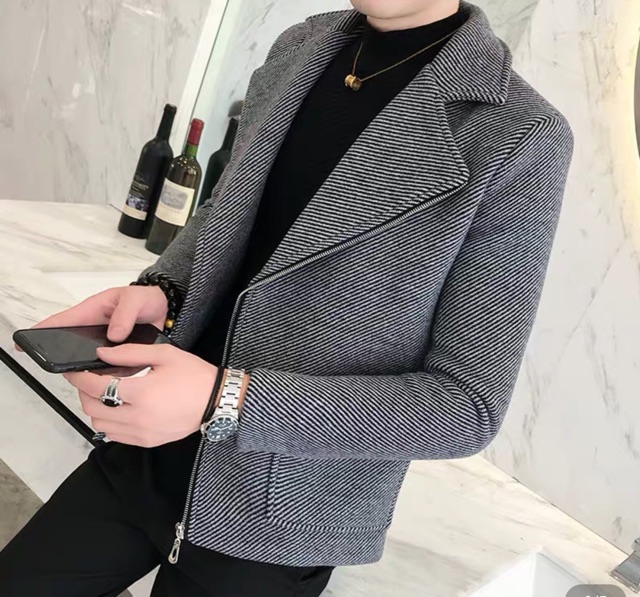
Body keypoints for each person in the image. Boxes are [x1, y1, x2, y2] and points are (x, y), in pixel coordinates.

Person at [0, 0, 574, 595]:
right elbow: (229, 210)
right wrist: (162, 290)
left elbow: (465, 407)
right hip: (144, 456)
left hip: (280, 515)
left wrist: (226, 401)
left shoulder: (520, 133)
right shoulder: (302, 45)